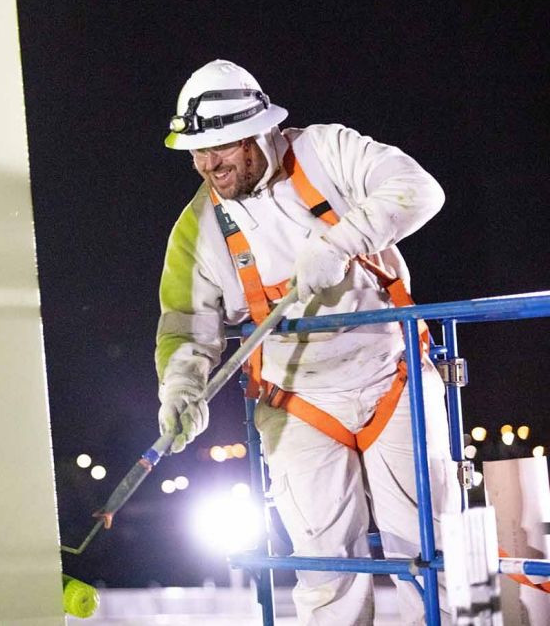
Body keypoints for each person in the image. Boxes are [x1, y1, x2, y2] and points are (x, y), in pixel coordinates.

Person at [155, 59, 458, 625]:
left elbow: (420, 189)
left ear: (257, 133)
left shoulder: (327, 152)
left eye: (220, 148)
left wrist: (343, 240)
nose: (207, 164)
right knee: (326, 576)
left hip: (393, 378)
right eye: (197, 152)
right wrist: (181, 388)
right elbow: (184, 323)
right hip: (300, 404)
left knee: (427, 556)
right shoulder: (197, 229)